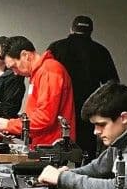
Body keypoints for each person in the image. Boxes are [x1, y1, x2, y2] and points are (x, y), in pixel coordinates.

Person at [48, 15, 119, 159]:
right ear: (91, 31)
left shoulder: (56, 48)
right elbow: (112, 85)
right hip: (88, 109)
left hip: (60, 108)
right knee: (86, 153)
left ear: (71, 29)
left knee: (57, 151)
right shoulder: (100, 51)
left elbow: (46, 78)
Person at [0, 36, 75, 147]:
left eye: (14, 66)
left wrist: (10, 125)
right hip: (44, 144)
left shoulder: (48, 71)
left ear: (25, 55)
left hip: (51, 147)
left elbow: (45, 118)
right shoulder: (40, 73)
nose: (15, 73)